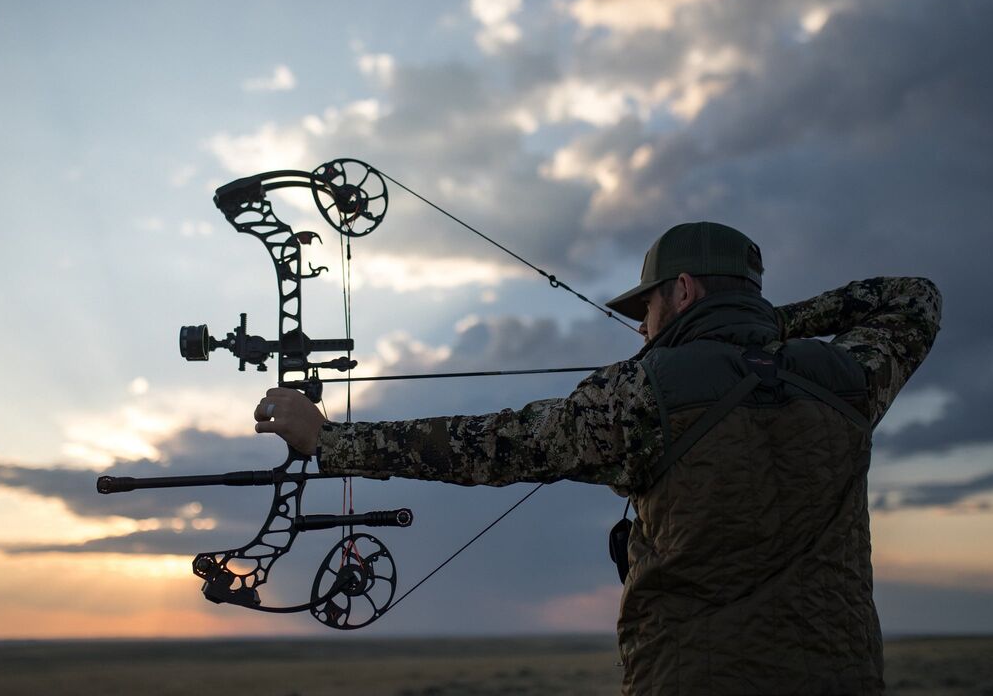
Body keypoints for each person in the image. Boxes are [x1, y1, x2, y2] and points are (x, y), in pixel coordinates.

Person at [256, 222, 942, 696]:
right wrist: (762, 324)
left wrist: (331, 442)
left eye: (649, 306)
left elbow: (492, 445)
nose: (642, 326)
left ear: (682, 291)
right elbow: (913, 299)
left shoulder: (642, 393)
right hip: (842, 676)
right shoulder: (849, 379)